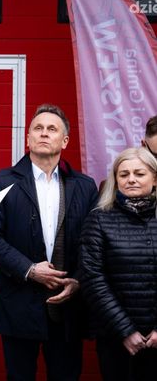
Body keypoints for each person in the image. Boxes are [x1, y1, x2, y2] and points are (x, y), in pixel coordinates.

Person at [0, 104, 98, 380]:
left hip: (67, 306)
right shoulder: (2, 181)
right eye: (38, 128)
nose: (44, 133)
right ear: (28, 138)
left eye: (51, 129)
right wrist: (30, 270)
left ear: (64, 141)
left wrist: (78, 281)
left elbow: (93, 243)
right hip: (18, 304)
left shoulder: (84, 185)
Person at [79, 147, 157, 381]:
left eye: (139, 173)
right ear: (115, 180)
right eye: (123, 174)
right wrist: (125, 330)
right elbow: (92, 279)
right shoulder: (98, 219)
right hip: (116, 338)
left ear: (154, 178)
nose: (131, 179)